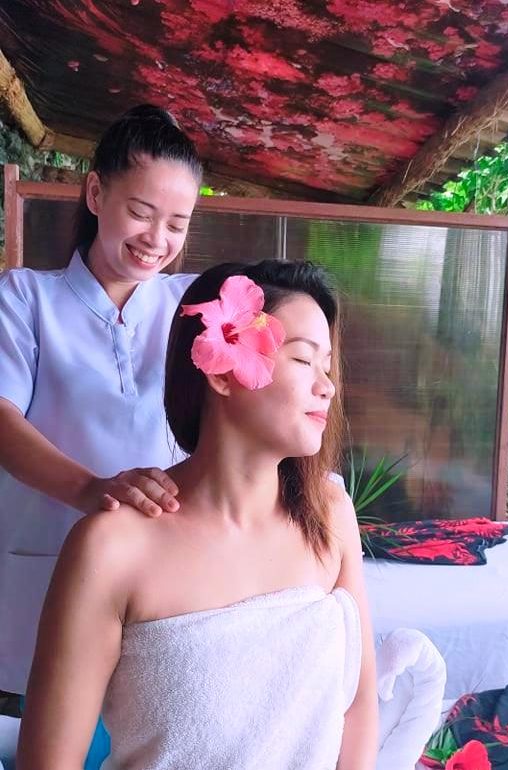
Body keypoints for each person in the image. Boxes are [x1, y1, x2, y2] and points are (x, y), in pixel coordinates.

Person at [16, 260, 379, 769]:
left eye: (327, 366)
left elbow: (358, 708)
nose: (328, 387)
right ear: (222, 372)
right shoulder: (112, 548)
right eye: (303, 359)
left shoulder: (329, 516)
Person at [0, 105, 202, 765]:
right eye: (141, 212)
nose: (157, 239)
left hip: (163, 578)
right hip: (49, 564)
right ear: (95, 193)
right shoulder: (25, 299)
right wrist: (93, 489)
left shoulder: (191, 306)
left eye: (177, 223)